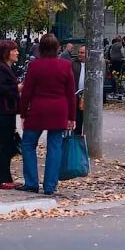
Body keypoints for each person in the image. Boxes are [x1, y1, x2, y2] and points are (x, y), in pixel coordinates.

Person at [18, 34, 76, 194]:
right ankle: (50, 186)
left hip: (38, 110)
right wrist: (72, 117)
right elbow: (71, 93)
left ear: (41, 48)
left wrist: (23, 113)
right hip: (59, 110)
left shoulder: (34, 66)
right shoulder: (65, 66)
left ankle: (31, 182)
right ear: (58, 48)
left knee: (28, 144)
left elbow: (27, 92)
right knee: (55, 146)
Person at [0, 41, 21, 189]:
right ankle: (0, 178)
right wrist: (17, 88)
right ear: (6, 52)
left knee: (6, 144)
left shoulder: (7, 69)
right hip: (2, 111)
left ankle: (4, 176)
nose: (17, 53)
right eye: (14, 50)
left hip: (7, 111)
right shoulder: (0, 69)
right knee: (2, 145)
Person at [71, 45, 86, 136]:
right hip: (76, 94)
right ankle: (77, 136)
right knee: (78, 118)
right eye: (79, 52)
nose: (80, 54)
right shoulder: (73, 63)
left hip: (87, 96)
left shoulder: (92, 64)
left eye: (82, 53)